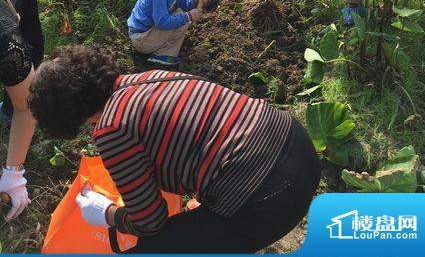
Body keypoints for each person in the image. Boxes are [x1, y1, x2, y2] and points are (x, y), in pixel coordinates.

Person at [28, 45, 321, 254]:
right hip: (297, 145)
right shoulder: (151, 77)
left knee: (154, 250)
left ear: (65, 118)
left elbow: (149, 222)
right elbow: (199, 136)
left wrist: (108, 214)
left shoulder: (112, 128)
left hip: (272, 198)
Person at [0, 0, 44, 221]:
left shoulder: (7, 44)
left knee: (31, 57)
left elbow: (27, 105)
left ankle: (6, 107)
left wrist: (13, 174)